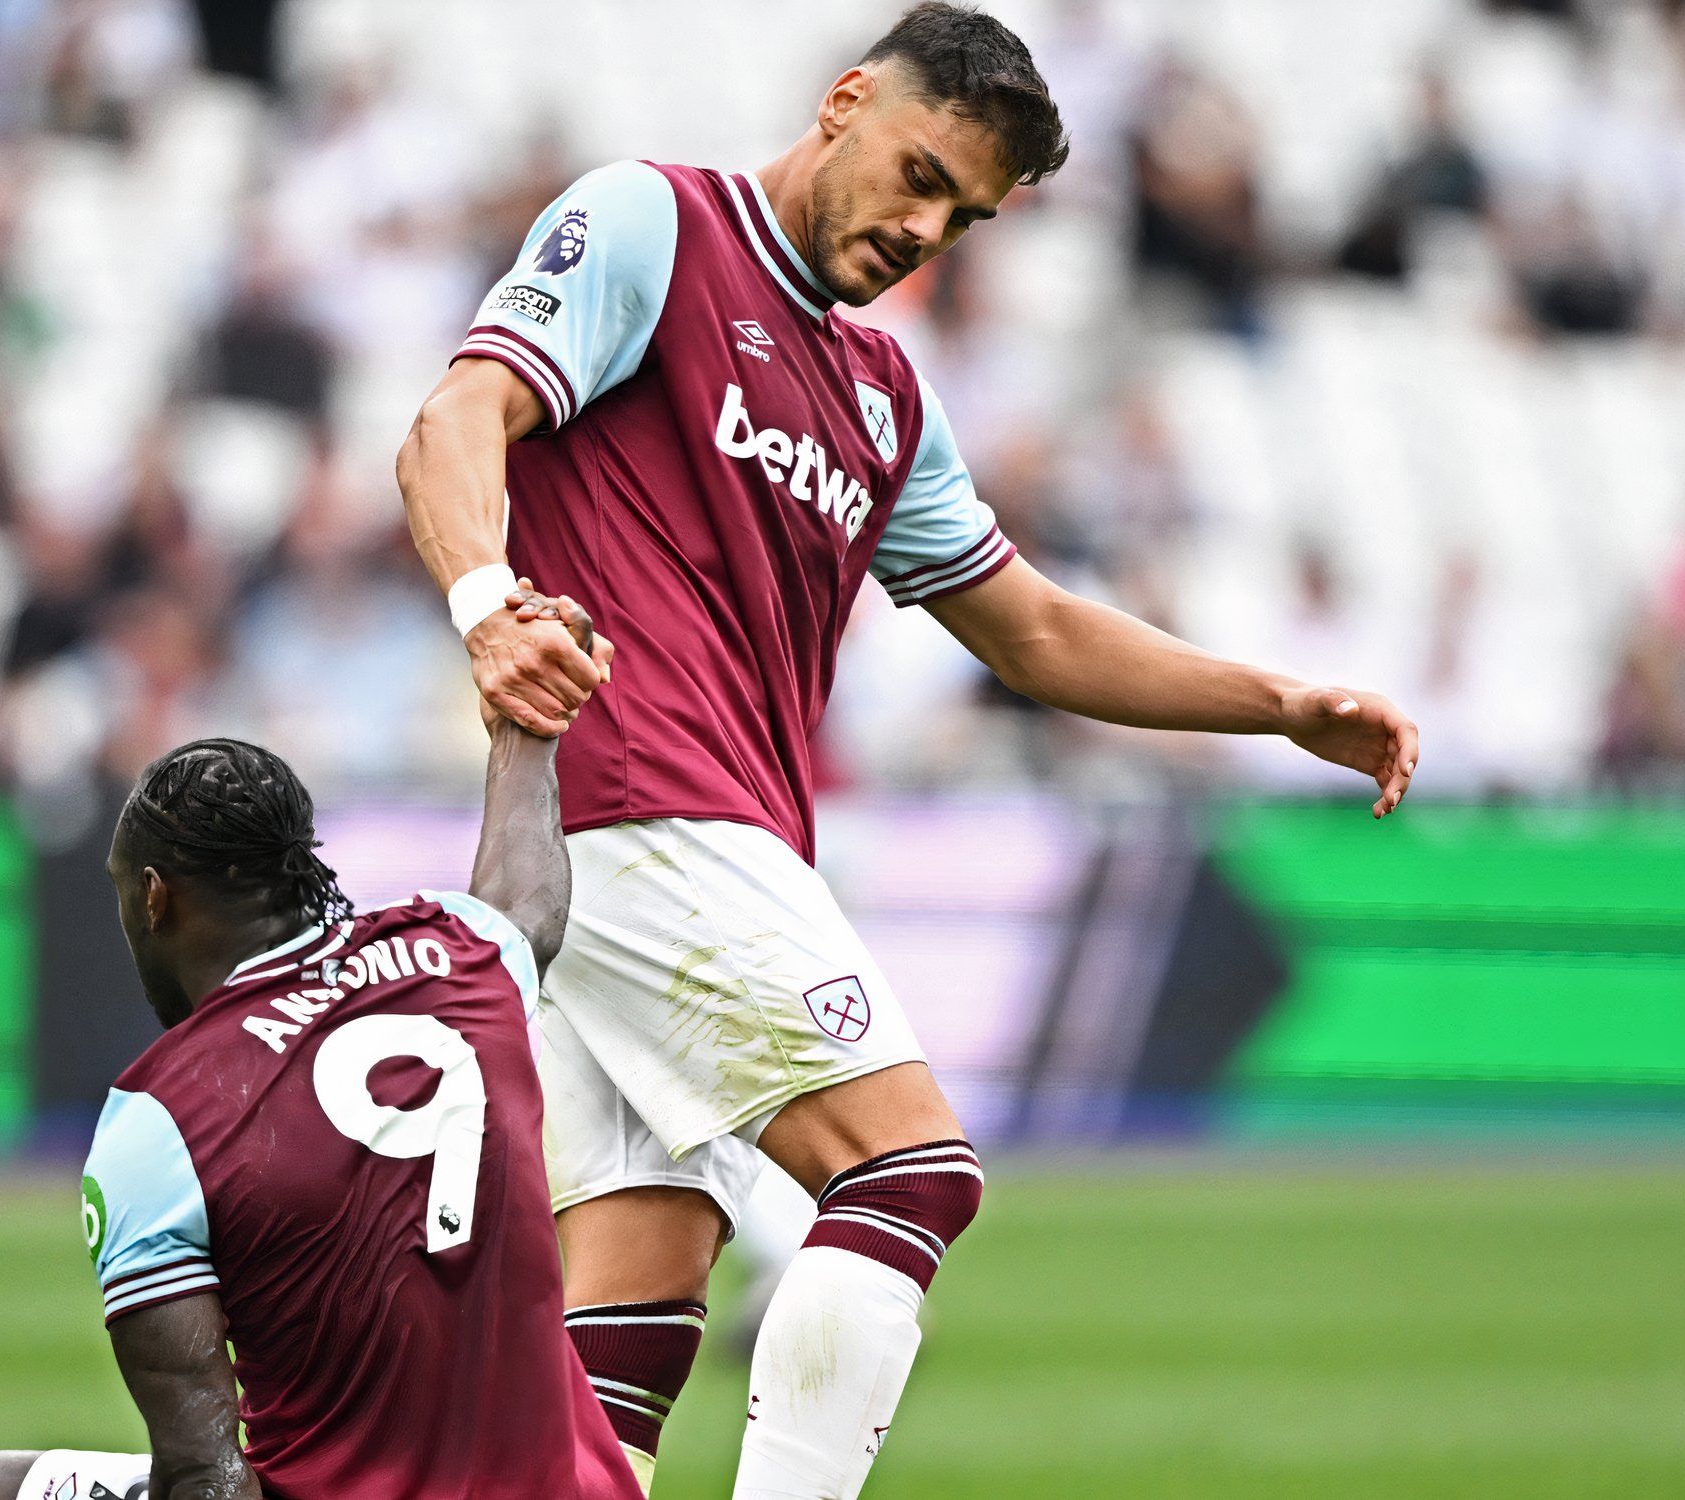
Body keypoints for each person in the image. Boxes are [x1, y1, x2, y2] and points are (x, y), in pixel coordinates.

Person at [393, 7, 1420, 1497]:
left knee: (628, 1328)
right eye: (920, 173)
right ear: (848, 100)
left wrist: (1277, 703)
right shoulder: (653, 224)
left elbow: (1039, 634)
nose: (926, 227)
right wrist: (487, 605)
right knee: (909, 1170)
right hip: (634, 802)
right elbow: (455, 415)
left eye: (966, 214)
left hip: (636, 852)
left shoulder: (883, 395)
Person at [0, 597, 639, 1500]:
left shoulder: (163, 1118)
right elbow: (529, 899)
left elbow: (204, 1476)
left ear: (153, 897)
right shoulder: (466, 958)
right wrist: (527, 720)